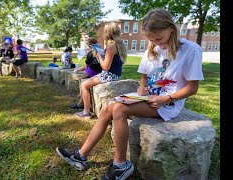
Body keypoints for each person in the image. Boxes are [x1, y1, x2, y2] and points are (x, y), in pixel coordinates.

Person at [56, 8, 204, 180]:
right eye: (151, 39)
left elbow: (192, 88)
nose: (157, 43)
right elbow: (144, 78)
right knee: (107, 110)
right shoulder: (152, 48)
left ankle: (121, 165)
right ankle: (80, 156)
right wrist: (141, 88)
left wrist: (166, 98)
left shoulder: (191, 50)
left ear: (172, 28)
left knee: (119, 109)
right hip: (147, 97)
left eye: (159, 38)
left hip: (168, 102)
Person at [73, 22, 127, 119]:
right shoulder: (119, 46)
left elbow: (105, 67)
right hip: (115, 75)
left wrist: (98, 55)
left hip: (109, 75)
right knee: (87, 83)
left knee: (84, 85)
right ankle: (83, 104)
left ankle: (86, 112)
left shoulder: (111, 47)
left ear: (108, 33)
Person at [70, 37, 103, 110]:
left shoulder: (90, 52)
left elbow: (86, 66)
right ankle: (80, 103)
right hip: (100, 72)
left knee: (82, 82)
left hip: (92, 72)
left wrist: (77, 70)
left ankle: (81, 104)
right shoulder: (101, 50)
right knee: (84, 81)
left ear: (88, 45)